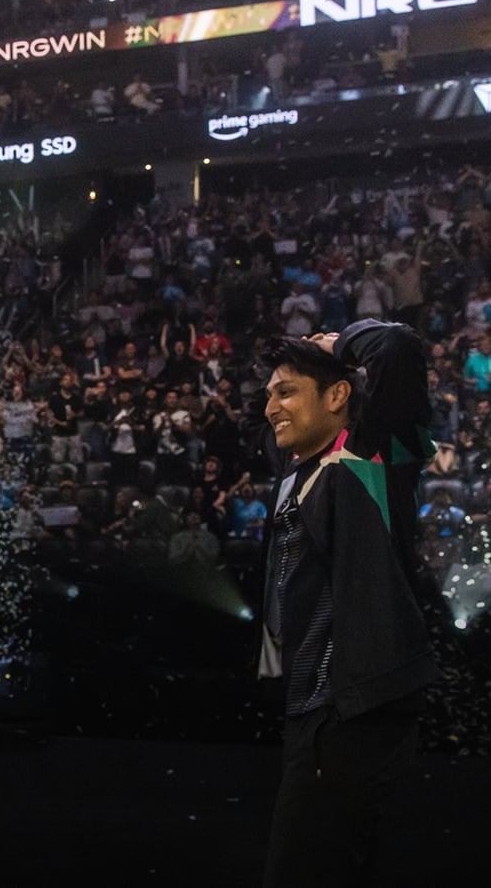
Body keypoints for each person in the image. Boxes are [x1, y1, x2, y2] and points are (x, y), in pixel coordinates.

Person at [256, 323, 440, 886]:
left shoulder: (368, 458)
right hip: (314, 710)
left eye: (285, 391)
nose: (270, 407)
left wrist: (338, 345)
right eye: (268, 394)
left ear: (338, 397)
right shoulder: (294, 473)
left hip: (352, 712)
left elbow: (398, 349)